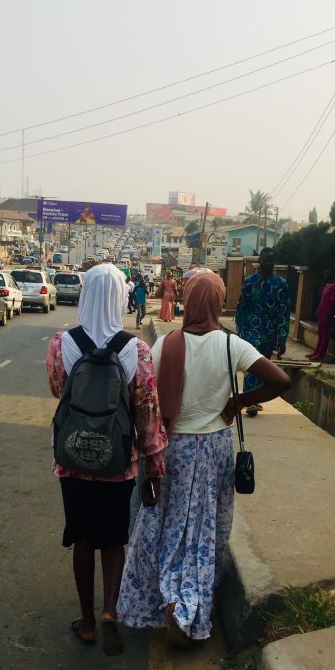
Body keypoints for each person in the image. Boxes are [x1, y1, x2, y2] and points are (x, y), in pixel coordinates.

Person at [118, 272, 290, 647]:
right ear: (217, 302)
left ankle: (167, 598)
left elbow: (148, 399)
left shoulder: (166, 345)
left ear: (189, 300)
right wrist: (240, 401)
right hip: (215, 448)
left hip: (175, 447)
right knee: (204, 529)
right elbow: (280, 380)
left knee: (167, 524)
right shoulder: (232, 346)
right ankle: (189, 606)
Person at [46, 264, 167, 656]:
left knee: (82, 537)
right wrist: (154, 462)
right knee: (114, 538)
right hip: (118, 462)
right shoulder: (137, 350)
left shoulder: (61, 343)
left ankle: (85, 623)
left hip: (73, 459)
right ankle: (109, 611)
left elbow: (58, 390)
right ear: (120, 297)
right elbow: (146, 410)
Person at [235, 249, 290, 416]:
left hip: (270, 333)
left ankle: (255, 399)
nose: (268, 264)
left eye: (271, 261)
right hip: (251, 332)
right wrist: (242, 330)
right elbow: (241, 308)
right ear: (259, 261)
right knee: (252, 365)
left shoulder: (281, 284)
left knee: (264, 367)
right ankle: (250, 401)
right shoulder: (250, 282)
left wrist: (282, 337)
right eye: (265, 260)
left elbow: (284, 311)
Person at [307, 269, 335, 361]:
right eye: (324, 274)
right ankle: (316, 352)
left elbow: (333, 302)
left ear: (332, 275)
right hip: (322, 314)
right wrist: (318, 309)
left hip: (328, 316)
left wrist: (328, 315)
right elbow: (323, 300)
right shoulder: (326, 286)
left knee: (325, 335)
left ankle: (321, 354)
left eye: (327, 274)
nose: (325, 276)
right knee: (321, 334)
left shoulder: (334, 287)